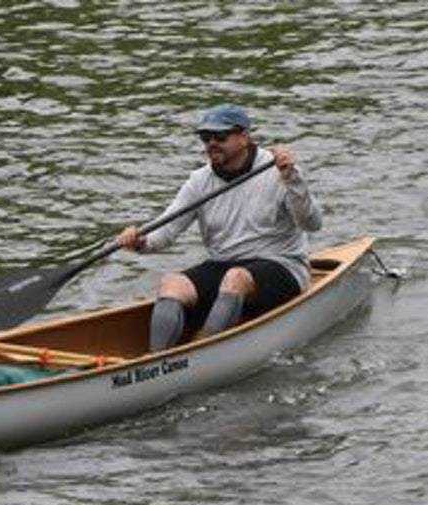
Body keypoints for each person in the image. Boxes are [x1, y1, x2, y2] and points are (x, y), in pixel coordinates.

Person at [116, 103, 322, 351]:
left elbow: (312, 224)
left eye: (220, 136)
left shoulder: (279, 170)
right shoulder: (199, 181)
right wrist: (139, 241)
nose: (211, 143)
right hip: (225, 264)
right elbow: (165, 232)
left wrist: (292, 179)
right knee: (171, 283)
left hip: (282, 264)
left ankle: (202, 350)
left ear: (244, 137)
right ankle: (156, 360)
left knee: (235, 279)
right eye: (206, 137)